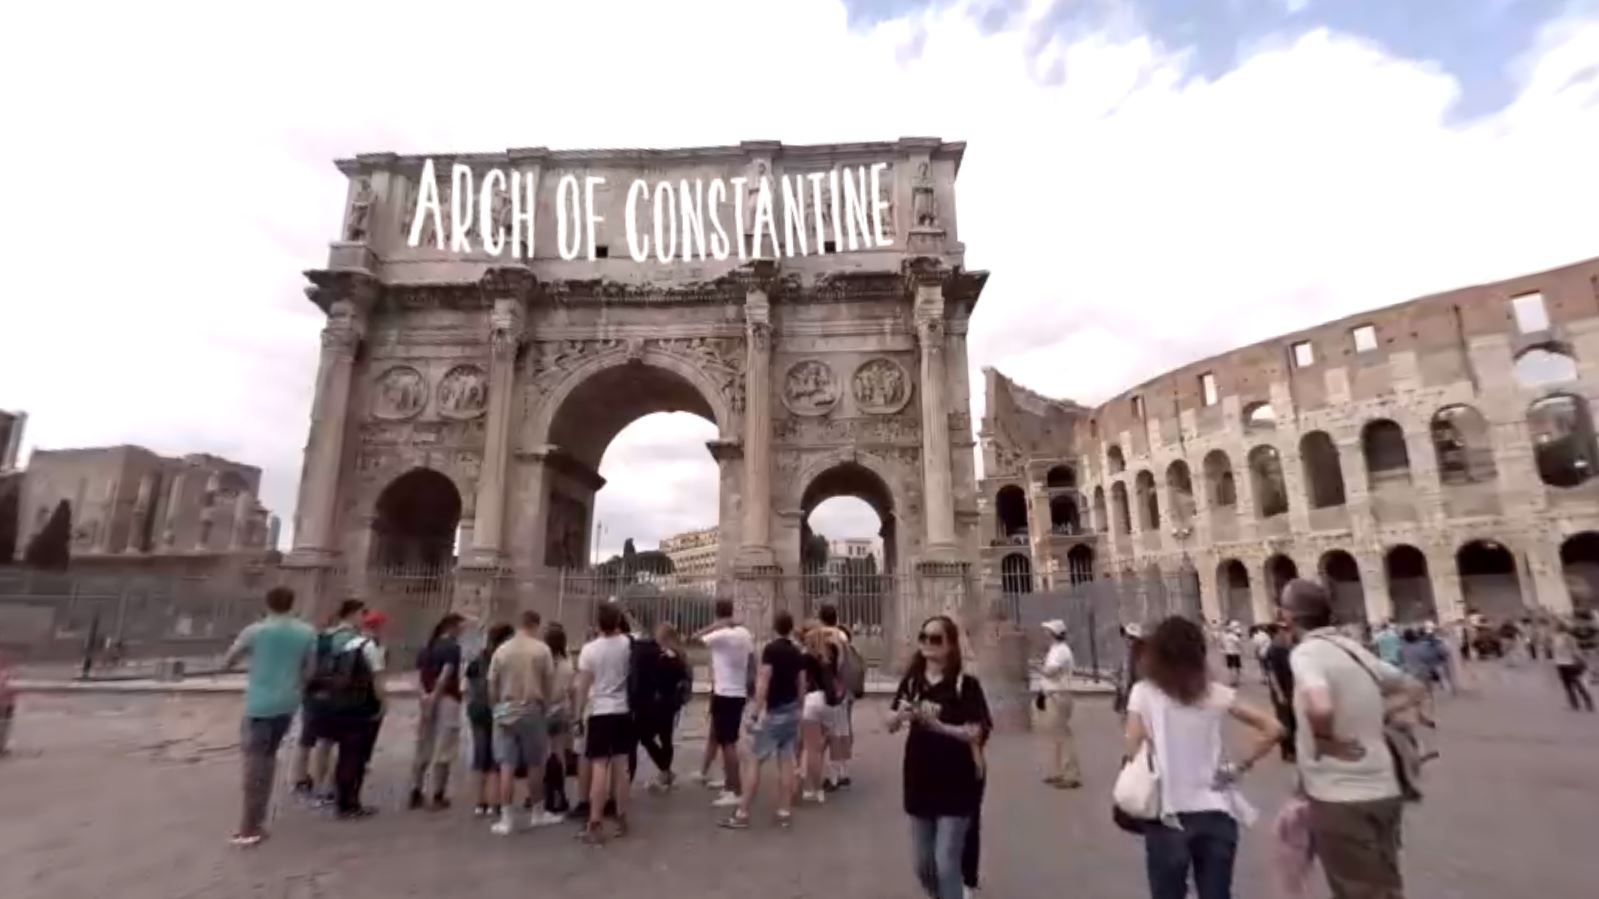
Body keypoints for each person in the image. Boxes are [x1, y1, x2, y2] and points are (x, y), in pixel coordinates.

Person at [1281, 579, 1426, 899]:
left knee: (1356, 890)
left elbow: (1319, 704)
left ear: (1288, 617)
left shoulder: (1307, 654)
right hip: (1385, 790)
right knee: (1386, 885)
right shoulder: (1352, 648)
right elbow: (1414, 687)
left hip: (1341, 797)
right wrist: (1377, 713)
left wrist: (1323, 740)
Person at [1124, 615, 1284, 899]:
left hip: (1167, 812)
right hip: (1216, 809)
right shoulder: (1215, 693)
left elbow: (1132, 746)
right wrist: (1239, 765)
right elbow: (1273, 727)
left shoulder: (1143, 693)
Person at [889, 615, 992, 899]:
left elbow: (977, 731)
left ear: (950, 645)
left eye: (935, 639)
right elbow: (889, 722)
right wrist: (900, 715)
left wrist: (940, 727)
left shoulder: (965, 685)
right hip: (919, 778)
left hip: (957, 780)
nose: (927, 644)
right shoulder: (912, 683)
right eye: (924, 637)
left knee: (946, 862)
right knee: (924, 865)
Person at [219, 586, 317, 846]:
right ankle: (258, 820)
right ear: (292, 603)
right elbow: (310, 671)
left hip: (259, 704)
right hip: (288, 703)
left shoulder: (255, 631)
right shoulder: (307, 632)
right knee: (268, 758)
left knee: (254, 764)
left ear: (267, 603)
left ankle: (248, 827)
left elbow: (227, 661)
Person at [721, 610, 805, 829]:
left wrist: (755, 713)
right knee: (786, 761)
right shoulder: (797, 651)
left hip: (775, 712)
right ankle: (784, 811)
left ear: (775, 627)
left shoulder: (771, 650)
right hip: (792, 711)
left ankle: (742, 813)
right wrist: (799, 708)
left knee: (754, 761)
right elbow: (801, 684)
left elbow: (763, 681)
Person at [304, 599, 386, 819]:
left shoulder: (323, 638)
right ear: (354, 613)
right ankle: (345, 800)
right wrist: (382, 704)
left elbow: (310, 668)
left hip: (322, 700)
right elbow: (377, 678)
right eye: (363, 613)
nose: (365, 618)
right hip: (354, 703)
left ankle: (320, 790)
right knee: (351, 754)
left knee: (323, 743)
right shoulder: (362, 642)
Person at [487, 609, 560, 835]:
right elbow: (549, 683)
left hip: (505, 710)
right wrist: (546, 706)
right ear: (535, 625)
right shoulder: (542, 650)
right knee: (535, 763)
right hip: (532, 709)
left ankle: (506, 819)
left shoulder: (501, 650)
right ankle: (537, 813)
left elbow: (492, 684)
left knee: (506, 765)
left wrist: (496, 708)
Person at [575, 602, 635, 844]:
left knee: (599, 767)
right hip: (623, 710)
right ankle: (622, 816)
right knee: (622, 767)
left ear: (598, 623)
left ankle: (595, 821)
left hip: (600, 710)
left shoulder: (589, 650)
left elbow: (583, 685)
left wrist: (578, 715)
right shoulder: (628, 645)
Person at [694, 600, 754, 808]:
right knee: (725, 739)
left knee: (728, 743)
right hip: (738, 692)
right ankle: (729, 780)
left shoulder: (721, 635)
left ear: (717, 614)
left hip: (724, 693)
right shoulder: (745, 634)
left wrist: (718, 625)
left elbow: (695, 638)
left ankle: (734, 789)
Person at [410, 613, 464, 811]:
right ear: (451, 627)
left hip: (425, 698)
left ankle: (415, 790)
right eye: (460, 627)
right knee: (444, 746)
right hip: (447, 698)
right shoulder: (452, 648)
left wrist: (424, 695)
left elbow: (418, 675)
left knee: (423, 744)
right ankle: (438, 793)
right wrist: (435, 694)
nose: (462, 631)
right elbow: (446, 673)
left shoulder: (427, 648)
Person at [465, 623, 515, 817]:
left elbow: (468, 685)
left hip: (477, 710)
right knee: (496, 757)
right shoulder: (504, 659)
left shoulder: (478, 659)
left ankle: (480, 803)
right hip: (496, 709)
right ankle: (495, 803)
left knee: (480, 756)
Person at [639, 622, 691, 792]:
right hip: (671, 703)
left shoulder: (668, 656)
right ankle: (665, 773)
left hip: (661, 702)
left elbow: (661, 677)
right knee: (665, 738)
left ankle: (665, 771)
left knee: (646, 736)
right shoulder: (680, 654)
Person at [798, 622, 842, 804]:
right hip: (829, 702)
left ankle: (813, 789)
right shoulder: (832, 653)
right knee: (821, 745)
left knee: (812, 749)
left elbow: (801, 684)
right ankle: (819, 786)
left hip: (811, 701)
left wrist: (799, 705)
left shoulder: (805, 657)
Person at [817, 603, 858, 790]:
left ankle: (833, 777)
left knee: (833, 733)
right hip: (845, 688)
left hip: (834, 689)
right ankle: (844, 771)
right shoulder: (842, 635)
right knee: (843, 730)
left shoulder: (825, 637)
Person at [1036, 619, 1081, 788]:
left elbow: (1050, 671)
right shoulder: (1054, 650)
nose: (1045, 634)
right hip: (1052, 694)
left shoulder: (1061, 651)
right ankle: (1059, 771)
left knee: (1062, 734)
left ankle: (1071, 774)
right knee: (1056, 735)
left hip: (1059, 695)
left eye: (1048, 631)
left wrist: (1038, 668)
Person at [542, 622, 577, 814]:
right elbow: (572, 688)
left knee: (544, 755)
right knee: (560, 753)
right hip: (562, 710)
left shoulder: (542, 661)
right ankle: (560, 793)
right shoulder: (567, 663)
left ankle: (543, 794)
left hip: (544, 711)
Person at [1263, 624, 1298, 762]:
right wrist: (1279, 693)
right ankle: (1287, 751)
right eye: (1282, 631)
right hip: (1281, 693)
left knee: (1293, 721)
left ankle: (1293, 749)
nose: (1285, 634)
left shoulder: (1285, 649)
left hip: (1290, 690)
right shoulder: (1272, 651)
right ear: (1275, 634)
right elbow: (1271, 675)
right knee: (1285, 723)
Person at [1552, 621, 1594, 712]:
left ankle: (1584, 702)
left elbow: (1575, 650)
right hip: (1563, 663)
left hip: (1568, 663)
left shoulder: (1567, 638)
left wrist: (1579, 659)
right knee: (1570, 684)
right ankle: (1577, 703)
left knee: (1573, 684)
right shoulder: (1557, 638)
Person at [1114, 623, 1146, 718]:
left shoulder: (1141, 657)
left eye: (1131, 638)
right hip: (1127, 700)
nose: (1127, 640)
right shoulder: (1127, 654)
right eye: (1127, 637)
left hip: (1136, 701)